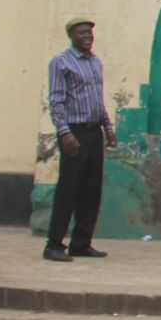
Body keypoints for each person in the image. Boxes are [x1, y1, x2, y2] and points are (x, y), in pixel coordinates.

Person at [44, 17, 116, 262]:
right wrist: (64, 133)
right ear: (71, 35)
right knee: (69, 189)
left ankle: (81, 242)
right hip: (74, 132)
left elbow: (98, 99)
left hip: (94, 131)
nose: (87, 36)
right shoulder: (61, 62)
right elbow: (56, 101)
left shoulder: (95, 62)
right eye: (82, 32)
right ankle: (54, 244)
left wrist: (108, 127)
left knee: (91, 190)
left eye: (90, 32)